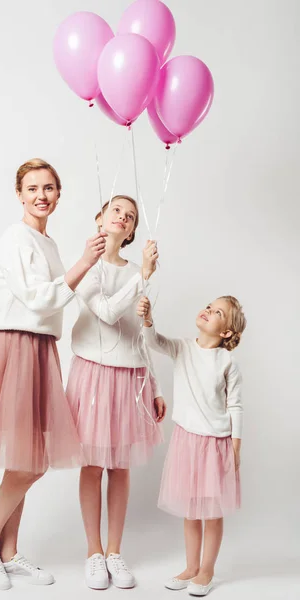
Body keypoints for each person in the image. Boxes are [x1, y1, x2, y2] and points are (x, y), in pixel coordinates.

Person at [0, 158, 107, 590]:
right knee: (28, 461)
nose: (41, 196)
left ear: (58, 193)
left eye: (49, 188)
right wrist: (84, 263)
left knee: (27, 457)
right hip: (14, 345)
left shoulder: (47, 243)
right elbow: (37, 299)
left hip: (38, 348)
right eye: (32, 188)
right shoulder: (16, 237)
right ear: (19, 194)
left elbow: (57, 300)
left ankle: (8, 553)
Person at [67, 195, 166, 590]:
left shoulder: (134, 272)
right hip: (92, 374)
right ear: (100, 218)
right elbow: (106, 313)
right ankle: (93, 552)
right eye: (116, 211)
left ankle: (114, 551)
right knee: (91, 465)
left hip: (130, 377)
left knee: (120, 466)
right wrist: (143, 275)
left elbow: (140, 334)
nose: (123, 217)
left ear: (132, 230)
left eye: (130, 216)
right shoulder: (86, 266)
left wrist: (154, 384)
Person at [137, 294, 246, 597]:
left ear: (225, 332)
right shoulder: (183, 348)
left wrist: (235, 448)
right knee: (190, 509)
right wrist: (147, 319)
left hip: (215, 444)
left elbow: (235, 406)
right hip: (186, 440)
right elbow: (153, 341)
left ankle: (207, 569)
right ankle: (191, 566)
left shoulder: (228, 362)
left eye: (218, 312)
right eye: (209, 307)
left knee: (211, 511)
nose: (208, 311)